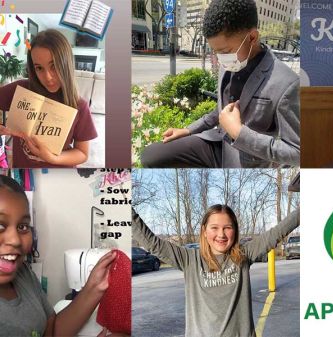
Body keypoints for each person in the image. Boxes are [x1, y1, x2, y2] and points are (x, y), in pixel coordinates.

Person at [141, 0, 299, 168]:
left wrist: (239, 133)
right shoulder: (229, 63)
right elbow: (222, 109)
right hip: (218, 143)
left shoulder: (287, 83)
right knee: (151, 156)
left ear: (252, 37)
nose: (219, 59)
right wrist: (188, 130)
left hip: (248, 161)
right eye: (215, 52)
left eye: (225, 52)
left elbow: (297, 152)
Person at [132, 204, 300, 337]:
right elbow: (152, 242)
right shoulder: (189, 259)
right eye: (214, 228)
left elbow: (279, 231)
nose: (221, 234)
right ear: (204, 231)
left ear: (235, 230)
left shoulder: (244, 255)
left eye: (227, 227)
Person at [0, 174, 118, 336]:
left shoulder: (23, 273)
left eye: (22, 226)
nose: (15, 240)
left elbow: (52, 327)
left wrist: (94, 287)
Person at [0, 29, 97, 168]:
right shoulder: (20, 89)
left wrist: (53, 158)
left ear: (66, 65)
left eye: (54, 66)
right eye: (39, 68)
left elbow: (82, 153)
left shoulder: (79, 106)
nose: (48, 77)